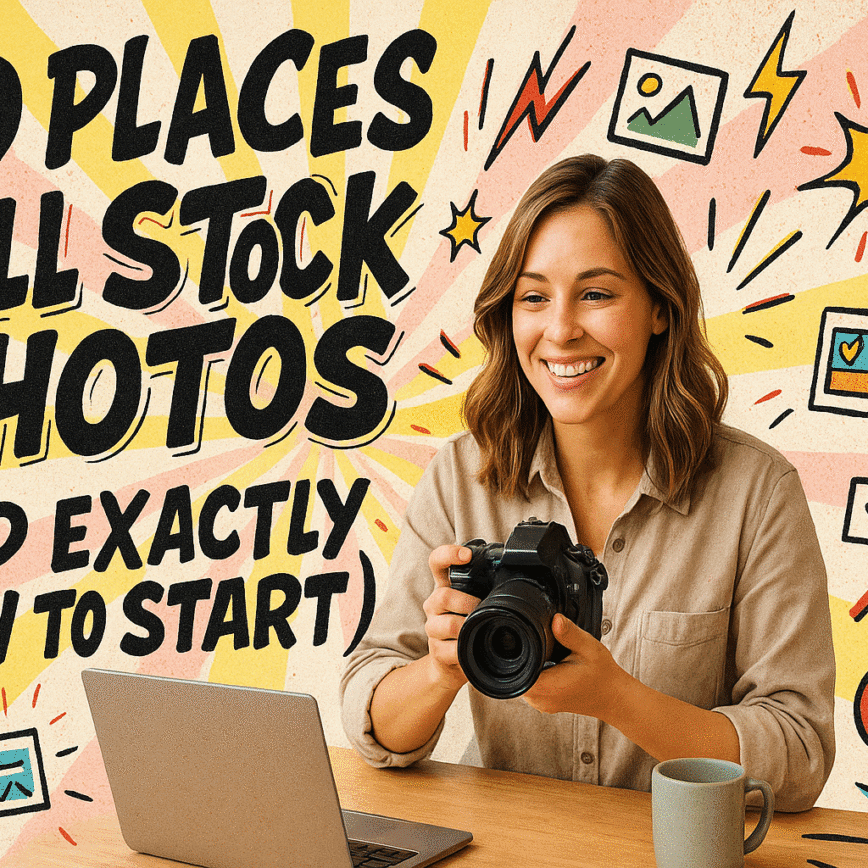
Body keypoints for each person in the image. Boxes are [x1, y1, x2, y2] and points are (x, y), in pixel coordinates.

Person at [340, 155, 835, 812]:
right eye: (534, 297)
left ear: (661, 307)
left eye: (597, 294)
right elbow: (369, 717)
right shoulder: (464, 474)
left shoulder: (755, 493)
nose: (561, 329)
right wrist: (439, 668)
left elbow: (798, 755)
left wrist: (616, 699)